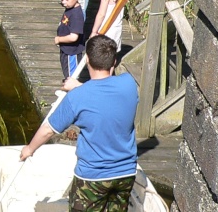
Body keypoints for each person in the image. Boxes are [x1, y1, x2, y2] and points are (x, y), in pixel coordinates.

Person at [19, 36, 139, 211]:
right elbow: (103, 96)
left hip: (93, 177)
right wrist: (79, 87)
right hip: (126, 173)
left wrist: (29, 149)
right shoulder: (128, 83)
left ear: (87, 59)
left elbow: (48, 130)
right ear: (114, 61)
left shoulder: (77, 98)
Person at [55, 0, 85, 81]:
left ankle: (72, 93)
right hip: (66, 49)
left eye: (67, 0)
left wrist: (59, 39)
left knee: (72, 76)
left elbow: (73, 37)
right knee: (66, 71)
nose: (63, 2)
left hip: (72, 51)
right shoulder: (70, 8)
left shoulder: (76, 15)